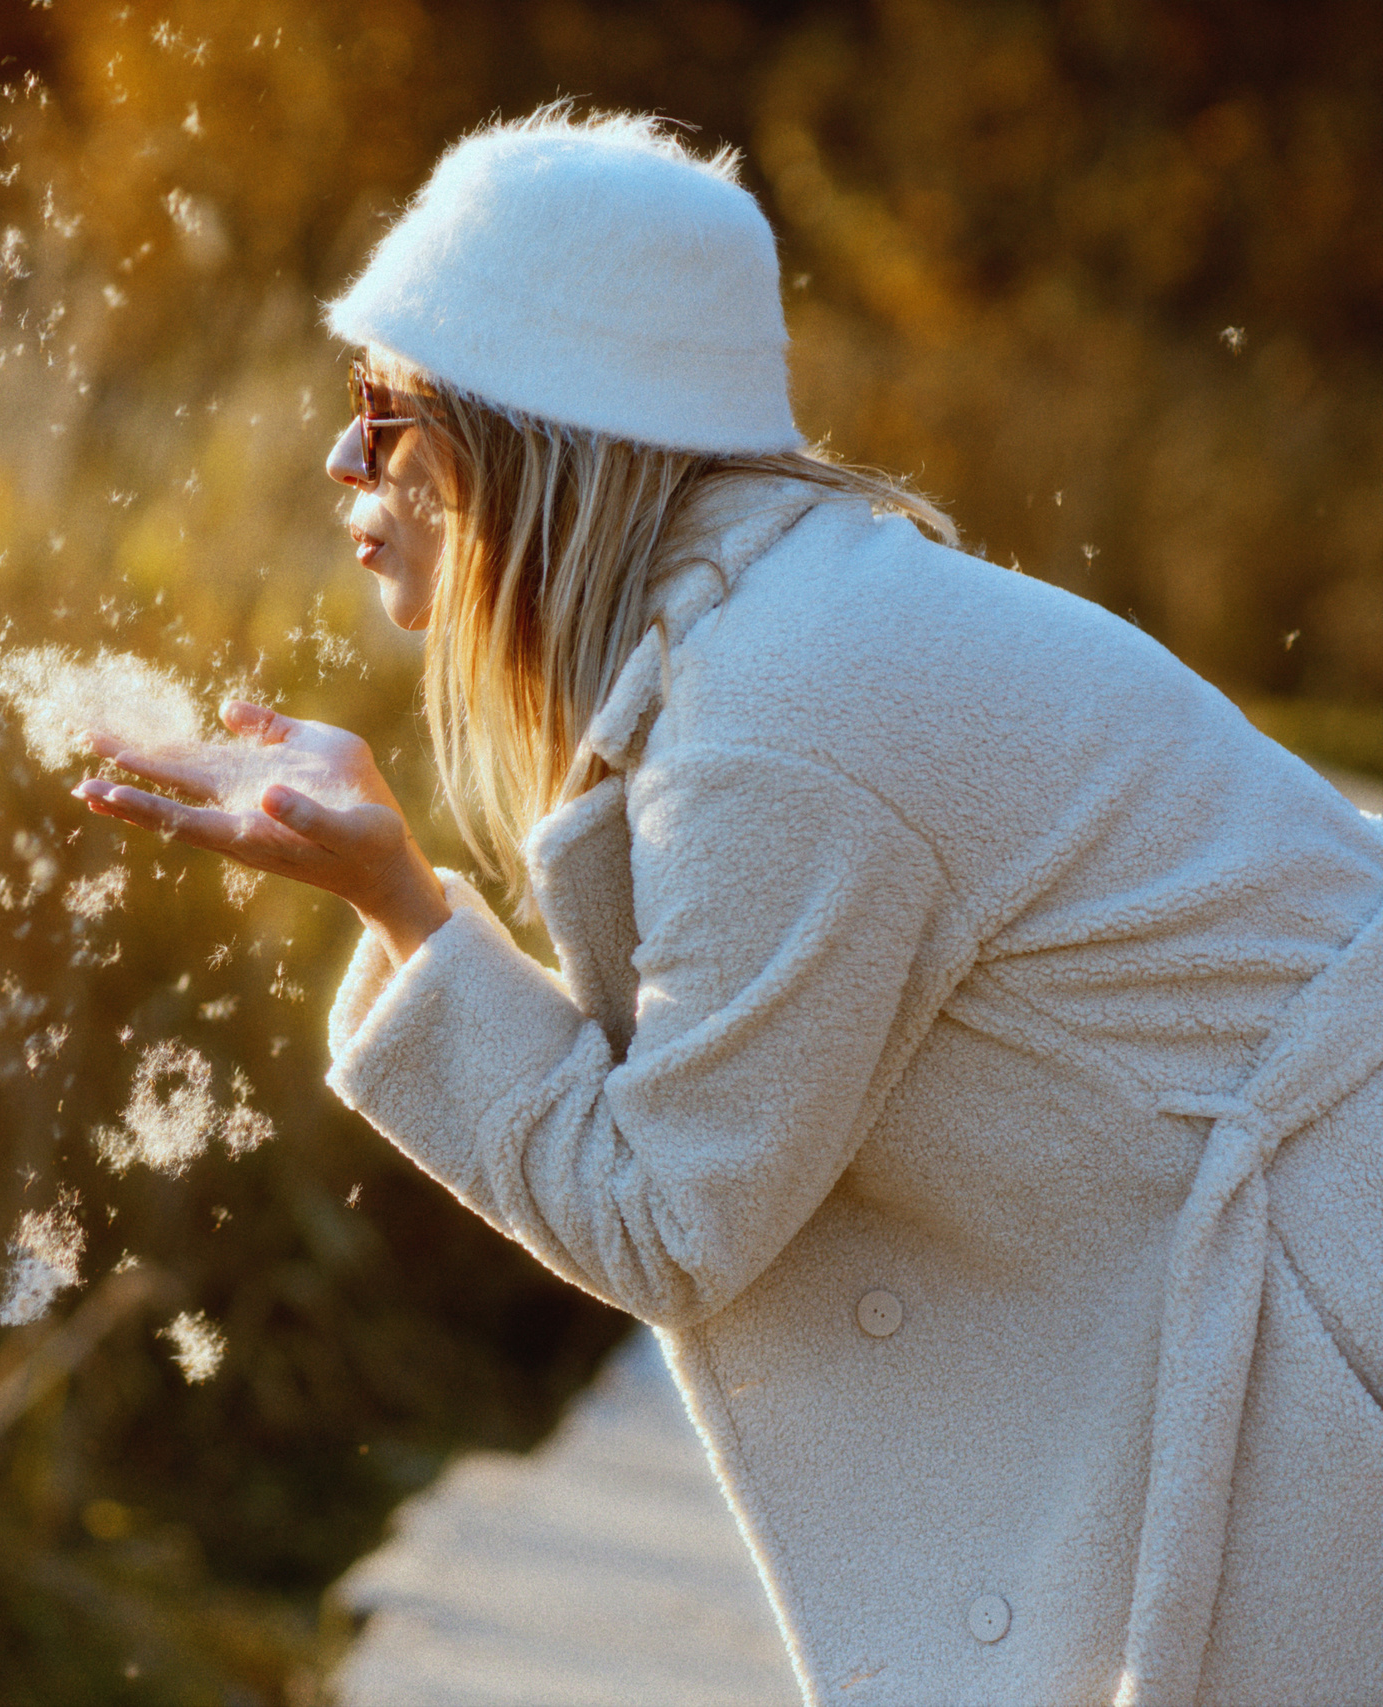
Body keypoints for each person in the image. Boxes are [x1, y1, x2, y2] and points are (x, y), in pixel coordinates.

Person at [77, 109, 1383, 1704]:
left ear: (532, 432)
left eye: (383, 405)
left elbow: (667, 1215)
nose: (345, 458)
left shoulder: (778, 715)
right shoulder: (780, 631)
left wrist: (402, 903)